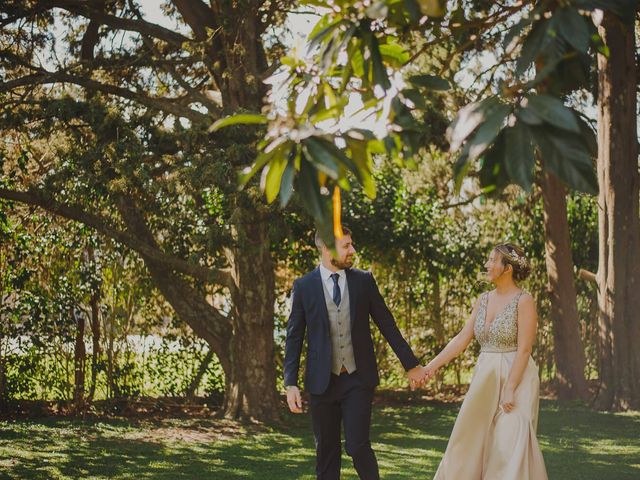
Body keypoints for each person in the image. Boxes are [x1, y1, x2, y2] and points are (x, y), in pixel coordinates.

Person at [283, 227, 428, 480]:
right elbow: (294, 336)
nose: (353, 250)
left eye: (351, 244)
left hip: (357, 379)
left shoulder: (363, 281)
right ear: (327, 248)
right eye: (347, 245)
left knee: (357, 445)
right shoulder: (304, 286)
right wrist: (290, 383)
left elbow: (387, 324)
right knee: (326, 452)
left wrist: (411, 364)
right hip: (321, 382)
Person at [425, 243, 548, 479]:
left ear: (507, 268)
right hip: (486, 377)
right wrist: (430, 368)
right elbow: (461, 339)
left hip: (517, 377)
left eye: (492, 261)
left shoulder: (524, 301)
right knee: (471, 439)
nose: (487, 265)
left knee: (510, 440)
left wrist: (510, 388)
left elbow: (524, 349)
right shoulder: (482, 299)